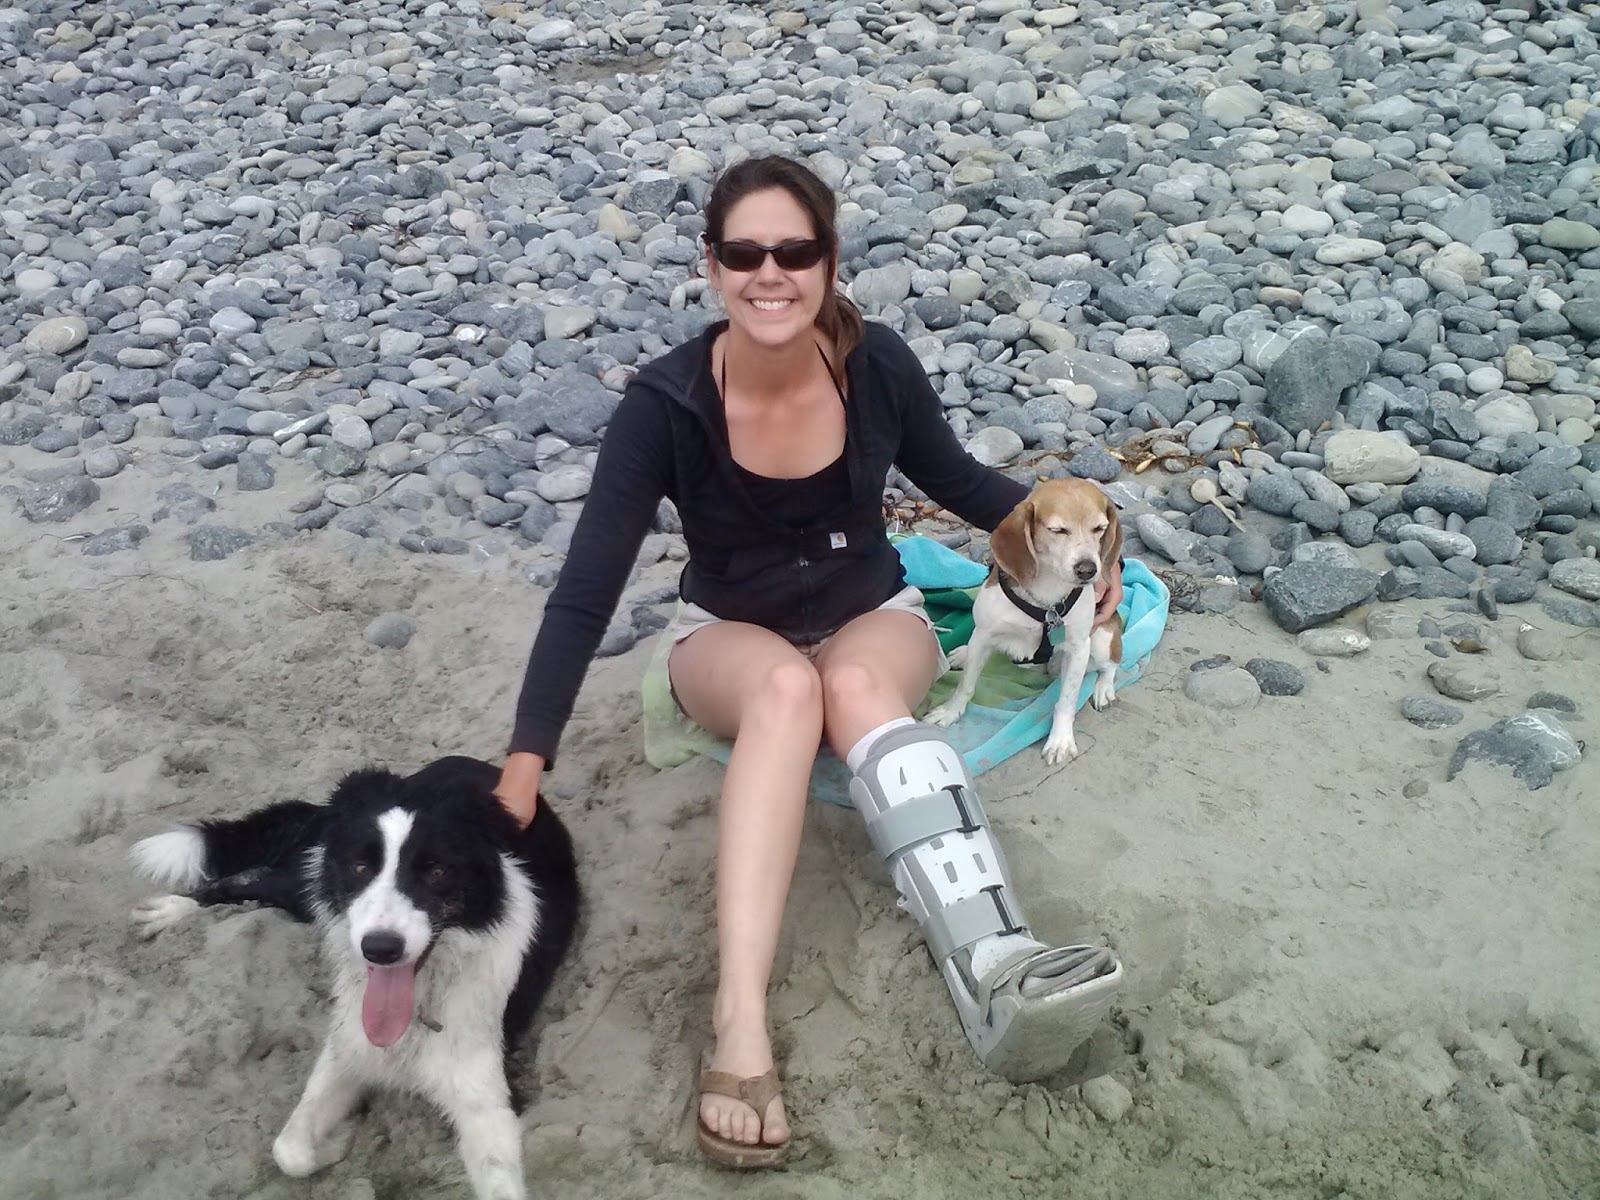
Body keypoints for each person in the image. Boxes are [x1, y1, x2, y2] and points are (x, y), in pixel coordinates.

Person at [494, 155, 1125, 1167]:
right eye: (744, 252)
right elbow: (586, 588)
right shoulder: (665, 405)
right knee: (791, 689)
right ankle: (738, 1021)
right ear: (711, 265)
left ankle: (998, 955)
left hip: (873, 612)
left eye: (795, 251)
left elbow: (963, 482)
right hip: (728, 636)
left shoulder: (878, 368)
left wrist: (1088, 552)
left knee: (853, 683)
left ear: (829, 262)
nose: (770, 273)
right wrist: (527, 757)